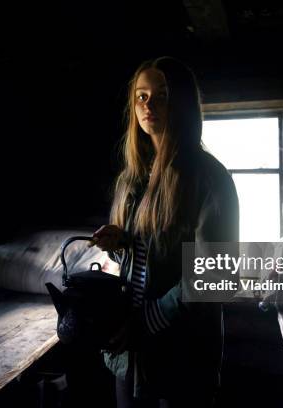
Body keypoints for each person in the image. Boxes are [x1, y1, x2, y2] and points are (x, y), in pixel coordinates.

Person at [89, 56, 239, 408]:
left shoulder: (209, 178)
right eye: (141, 96)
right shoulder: (131, 179)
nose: (148, 105)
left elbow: (213, 274)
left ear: (183, 103)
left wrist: (147, 321)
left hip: (183, 348)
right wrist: (119, 244)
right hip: (129, 350)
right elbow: (144, 255)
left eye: (162, 95)